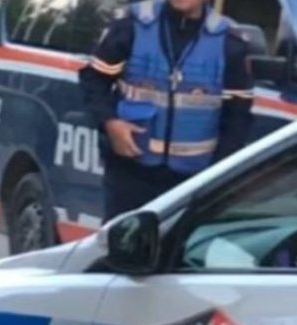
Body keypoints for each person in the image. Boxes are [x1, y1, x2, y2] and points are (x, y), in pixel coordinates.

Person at [80, 0, 254, 222]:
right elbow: (94, 80)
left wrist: (217, 176)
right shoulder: (132, 26)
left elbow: (238, 117)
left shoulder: (228, 41)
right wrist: (110, 122)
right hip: (131, 173)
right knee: (123, 242)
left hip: (194, 182)